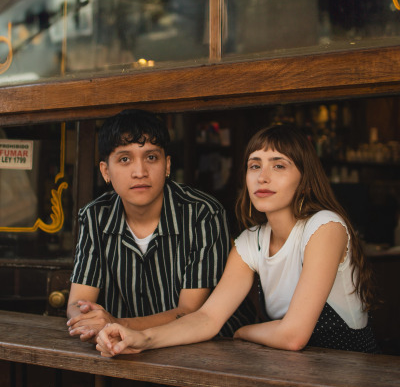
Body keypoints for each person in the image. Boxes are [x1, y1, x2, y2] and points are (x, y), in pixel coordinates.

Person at [95, 123, 379, 356]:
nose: (262, 177)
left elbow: (292, 336)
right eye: (254, 166)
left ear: (304, 180)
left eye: (279, 166)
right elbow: (207, 318)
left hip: (350, 373)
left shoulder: (325, 226)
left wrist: (243, 331)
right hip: (293, 371)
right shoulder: (250, 242)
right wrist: (143, 339)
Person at [67, 109, 255, 342]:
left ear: (167, 166)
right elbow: (77, 302)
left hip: (208, 347)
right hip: (122, 345)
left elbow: (190, 311)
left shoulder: (202, 213)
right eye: (125, 159)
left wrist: (116, 323)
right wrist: (86, 321)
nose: (140, 172)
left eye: (151, 158)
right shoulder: (95, 216)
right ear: (106, 171)